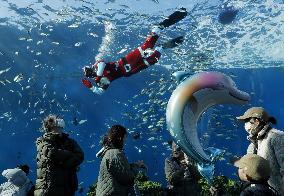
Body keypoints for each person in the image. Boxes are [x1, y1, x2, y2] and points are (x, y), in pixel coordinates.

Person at [82, 8, 187, 94]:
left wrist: (98, 77)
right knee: (153, 59)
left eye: (89, 70)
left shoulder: (97, 66)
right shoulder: (99, 81)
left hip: (127, 61)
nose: (91, 71)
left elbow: (102, 64)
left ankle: (159, 28)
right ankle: (162, 47)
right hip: (130, 71)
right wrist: (91, 87)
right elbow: (100, 92)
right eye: (89, 73)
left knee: (147, 46)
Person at [236, 107, 284, 195]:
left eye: (247, 121)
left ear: (257, 122)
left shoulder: (277, 138)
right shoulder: (251, 146)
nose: (245, 125)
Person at [34, 114, 84, 196]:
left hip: (67, 188)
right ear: (50, 125)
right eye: (57, 120)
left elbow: (80, 156)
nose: (61, 122)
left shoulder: (70, 141)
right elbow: (51, 153)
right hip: (48, 188)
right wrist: (70, 157)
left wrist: (62, 163)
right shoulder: (43, 140)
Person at [95, 125, 147, 196]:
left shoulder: (109, 153)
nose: (125, 142)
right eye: (124, 138)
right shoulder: (115, 153)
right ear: (120, 138)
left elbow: (119, 169)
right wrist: (136, 168)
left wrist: (136, 165)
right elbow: (127, 178)